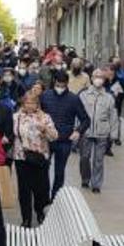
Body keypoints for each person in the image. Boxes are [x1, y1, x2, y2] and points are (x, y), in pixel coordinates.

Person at [40, 69, 90, 200]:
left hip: (64, 141)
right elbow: (38, 115)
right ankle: (44, 198)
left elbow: (85, 119)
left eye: (63, 85)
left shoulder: (73, 99)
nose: (60, 87)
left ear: (67, 84)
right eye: (58, 84)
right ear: (54, 82)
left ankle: (55, 198)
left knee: (59, 172)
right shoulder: (45, 96)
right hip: (46, 140)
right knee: (43, 169)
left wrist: (78, 131)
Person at [12, 93, 57, 227]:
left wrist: (45, 130)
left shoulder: (45, 117)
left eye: (33, 103)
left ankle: (40, 213)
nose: (30, 105)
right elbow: (12, 133)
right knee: (24, 190)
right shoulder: (16, 117)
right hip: (21, 157)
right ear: (23, 104)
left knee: (40, 188)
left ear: (37, 104)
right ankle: (26, 218)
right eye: (27, 103)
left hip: (39, 157)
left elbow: (54, 136)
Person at [77, 68, 119, 194]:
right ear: (91, 78)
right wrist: (76, 130)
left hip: (102, 131)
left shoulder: (109, 97)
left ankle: (96, 184)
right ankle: (85, 178)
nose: (98, 79)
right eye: (96, 76)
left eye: (101, 77)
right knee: (84, 157)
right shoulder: (83, 94)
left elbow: (113, 116)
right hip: (86, 131)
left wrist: (114, 133)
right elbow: (77, 113)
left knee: (99, 159)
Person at [108, 57, 124, 147]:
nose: (109, 73)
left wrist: (120, 96)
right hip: (103, 106)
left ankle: (116, 137)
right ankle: (107, 144)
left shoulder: (120, 80)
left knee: (116, 121)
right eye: (108, 71)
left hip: (116, 105)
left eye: (112, 71)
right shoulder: (104, 81)